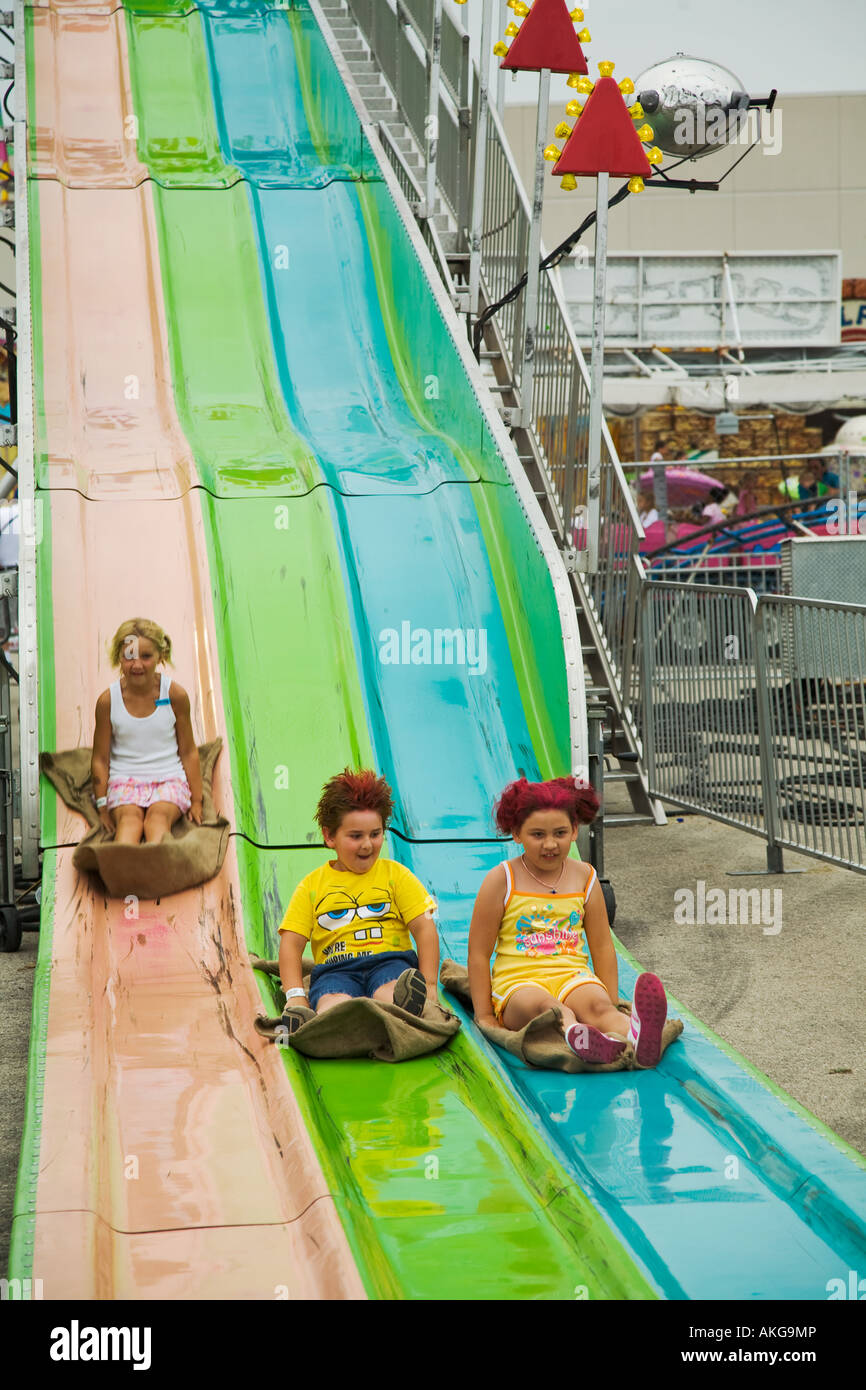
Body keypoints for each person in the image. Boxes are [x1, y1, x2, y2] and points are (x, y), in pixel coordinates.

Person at [467, 776, 668, 1067]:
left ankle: (636, 1035)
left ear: (574, 831)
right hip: (519, 982)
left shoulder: (584, 876)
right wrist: (485, 1014)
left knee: (598, 1007)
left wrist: (609, 1000)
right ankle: (576, 1033)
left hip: (572, 975)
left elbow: (601, 946)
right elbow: (479, 952)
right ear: (516, 834)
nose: (550, 844)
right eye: (537, 835)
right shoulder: (503, 879)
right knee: (546, 1007)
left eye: (560, 833)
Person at [277, 769, 439, 1032]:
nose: (367, 845)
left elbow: (424, 926)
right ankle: (322, 1020)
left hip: (389, 961)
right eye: (356, 836)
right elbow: (291, 944)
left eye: (375, 834)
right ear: (329, 836)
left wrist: (430, 984)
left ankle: (403, 1007)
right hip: (335, 970)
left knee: (390, 993)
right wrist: (295, 994)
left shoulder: (395, 875)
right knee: (333, 1002)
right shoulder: (312, 885)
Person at [91, 618, 203, 846]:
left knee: (157, 820)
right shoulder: (108, 701)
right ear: (118, 658)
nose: (137, 665)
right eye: (129, 656)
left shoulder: (174, 695)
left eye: (146, 656)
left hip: (168, 778)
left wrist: (198, 800)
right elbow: (100, 759)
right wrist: (102, 806)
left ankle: (158, 867)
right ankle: (123, 871)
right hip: (125, 780)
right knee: (130, 823)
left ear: (161, 656)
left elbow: (189, 751)